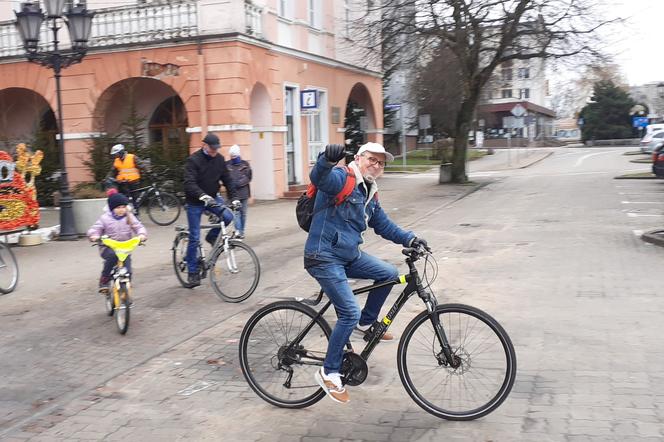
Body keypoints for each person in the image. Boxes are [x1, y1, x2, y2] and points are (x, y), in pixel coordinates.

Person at [305, 142, 428, 404]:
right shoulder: (342, 178)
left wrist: (410, 238)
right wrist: (326, 159)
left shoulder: (369, 192)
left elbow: (383, 224)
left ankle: (365, 322)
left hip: (349, 256)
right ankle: (330, 372)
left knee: (389, 273)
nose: (376, 165)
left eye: (381, 163)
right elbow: (319, 177)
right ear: (359, 158)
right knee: (348, 311)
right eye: (372, 159)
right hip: (323, 256)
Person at [183, 133, 238, 288]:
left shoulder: (219, 160)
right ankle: (192, 273)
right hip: (195, 201)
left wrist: (234, 198)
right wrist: (201, 195)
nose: (214, 152)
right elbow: (189, 183)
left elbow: (228, 180)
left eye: (216, 149)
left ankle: (212, 236)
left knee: (228, 216)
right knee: (194, 236)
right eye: (212, 148)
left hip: (212, 198)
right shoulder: (193, 160)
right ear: (204, 145)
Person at [87, 193, 147, 292]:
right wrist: (94, 236)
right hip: (108, 247)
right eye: (118, 207)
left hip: (125, 247)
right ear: (112, 208)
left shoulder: (129, 216)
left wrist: (141, 235)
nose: (121, 209)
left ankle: (125, 294)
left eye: (123, 207)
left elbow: (138, 226)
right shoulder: (105, 218)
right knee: (112, 257)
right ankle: (104, 280)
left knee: (128, 271)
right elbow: (95, 228)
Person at [226, 144, 252, 239]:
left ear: (238, 154)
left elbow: (248, 177)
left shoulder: (245, 164)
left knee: (243, 213)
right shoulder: (227, 165)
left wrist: (236, 184)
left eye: (235, 156)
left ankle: (241, 231)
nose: (233, 157)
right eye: (232, 156)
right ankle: (238, 231)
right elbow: (225, 177)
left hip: (244, 193)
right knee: (236, 213)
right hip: (233, 194)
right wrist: (230, 185)